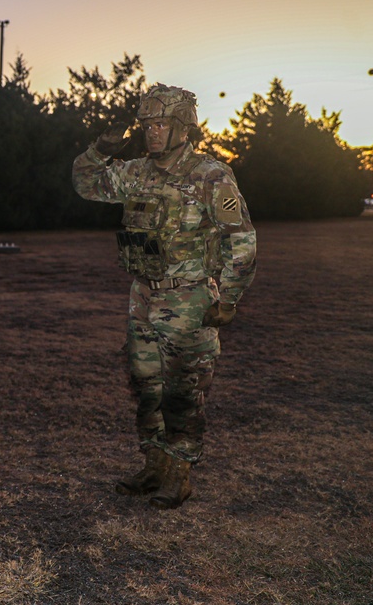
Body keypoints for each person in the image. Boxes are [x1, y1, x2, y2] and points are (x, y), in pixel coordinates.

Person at [72, 84, 257, 509]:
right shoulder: (136, 172)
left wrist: (227, 298)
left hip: (188, 298)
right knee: (145, 385)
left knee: (183, 389)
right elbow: (85, 184)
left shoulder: (210, 175)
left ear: (182, 128)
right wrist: (100, 150)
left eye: (160, 125)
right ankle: (154, 464)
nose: (151, 133)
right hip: (142, 294)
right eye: (147, 125)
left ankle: (179, 475)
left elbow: (242, 240)